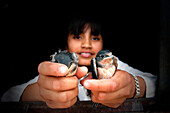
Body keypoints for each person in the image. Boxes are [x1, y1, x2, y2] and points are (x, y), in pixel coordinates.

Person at [1, 16, 157, 109]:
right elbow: (8, 97)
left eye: (95, 38)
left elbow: (158, 85)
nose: (87, 44)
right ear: (65, 44)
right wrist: (40, 91)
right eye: (78, 37)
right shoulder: (58, 69)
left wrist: (133, 86)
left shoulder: (113, 64)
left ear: (103, 44)